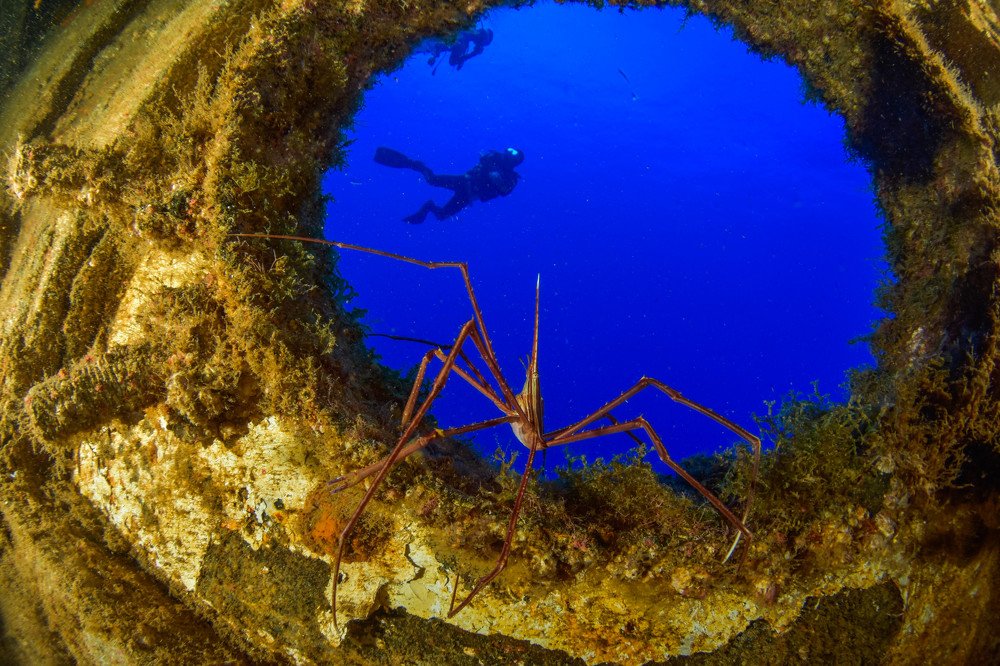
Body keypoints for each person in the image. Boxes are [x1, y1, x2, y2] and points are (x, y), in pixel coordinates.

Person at [374, 146, 524, 224]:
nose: (508, 154)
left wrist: (495, 176)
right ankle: (415, 165)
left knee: (441, 215)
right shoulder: (494, 157)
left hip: (469, 195)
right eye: (508, 151)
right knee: (431, 179)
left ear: (515, 162)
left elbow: (504, 190)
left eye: (512, 154)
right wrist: (489, 167)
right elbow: (482, 159)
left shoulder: (511, 177)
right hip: (465, 181)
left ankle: (428, 207)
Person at [419, 28, 494, 72]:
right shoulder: (464, 43)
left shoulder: (465, 29)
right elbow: (452, 62)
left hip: (430, 36)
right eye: (481, 43)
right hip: (428, 44)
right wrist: (473, 54)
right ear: (480, 40)